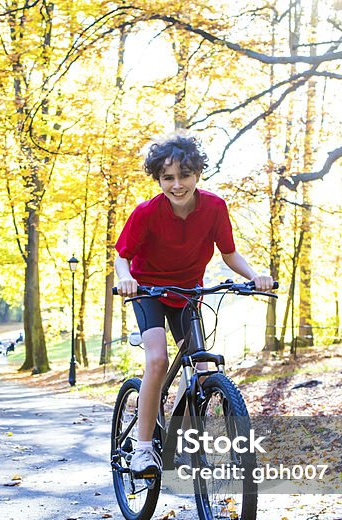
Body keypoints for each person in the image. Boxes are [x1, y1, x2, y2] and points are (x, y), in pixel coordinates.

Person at [114, 133, 274, 478]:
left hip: (188, 292)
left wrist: (255, 275)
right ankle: (143, 450)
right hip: (148, 291)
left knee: (200, 368)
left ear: (197, 174)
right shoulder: (146, 213)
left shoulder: (214, 207)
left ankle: (181, 445)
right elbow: (122, 257)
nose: (176, 185)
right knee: (157, 359)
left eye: (184, 176)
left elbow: (229, 254)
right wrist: (127, 280)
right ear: (158, 180)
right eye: (167, 178)